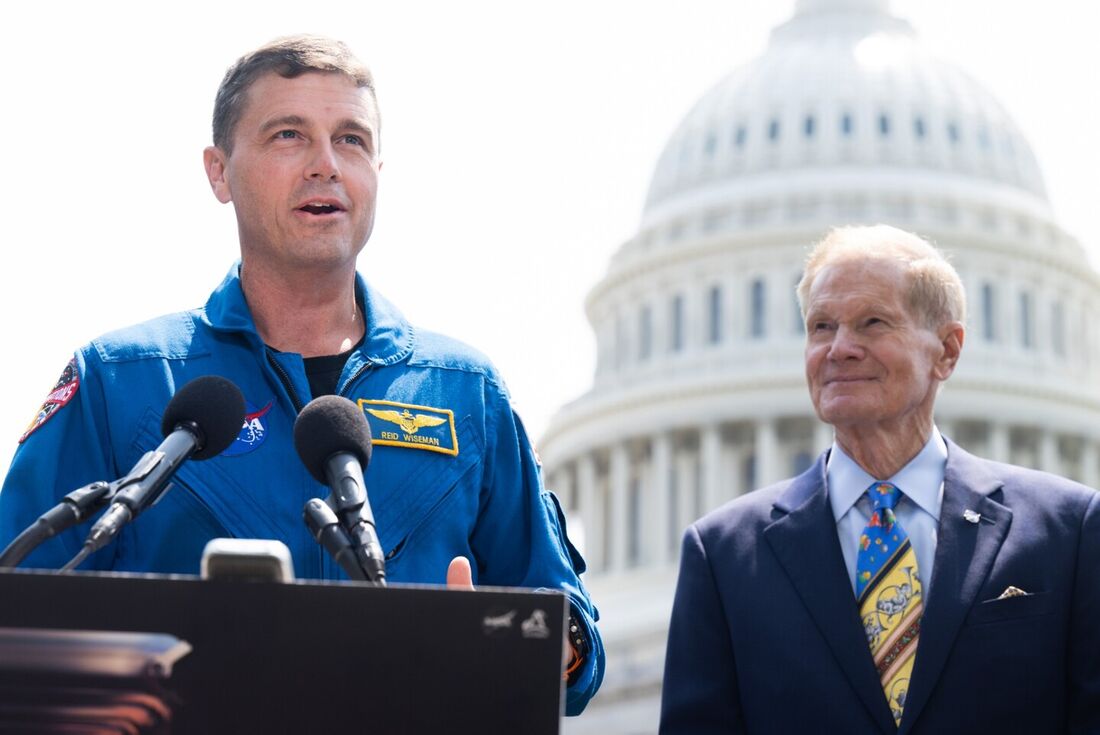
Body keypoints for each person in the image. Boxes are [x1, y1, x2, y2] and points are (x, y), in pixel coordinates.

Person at [0, 35, 602, 714]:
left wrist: (513, 641)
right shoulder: (121, 382)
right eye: (290, 136)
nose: (326, 166)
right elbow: (16, 614)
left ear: (377, 168)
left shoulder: (468, 394)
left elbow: (576, 652)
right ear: (219, 172)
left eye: (351, 140)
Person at [660, 225, 1099, 733]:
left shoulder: (1067, 532)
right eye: (821, 326)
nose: (840, 348)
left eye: (872, 323)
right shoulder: (724, 556)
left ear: (947, 351)